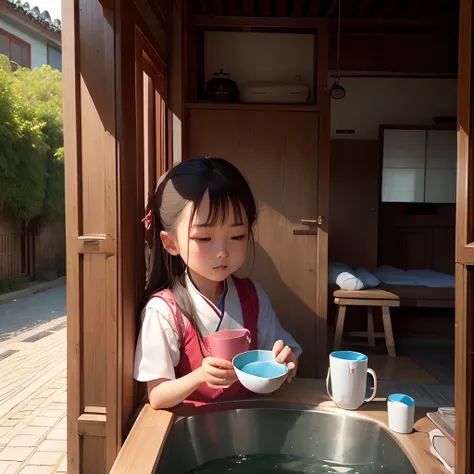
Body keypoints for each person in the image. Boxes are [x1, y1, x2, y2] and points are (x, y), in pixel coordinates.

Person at [134, 157, 302, 409]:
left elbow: (282, 350)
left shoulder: (253, 296)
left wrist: (285, 359)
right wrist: (199, 376)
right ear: (170, 243)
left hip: (250, 420)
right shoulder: (164, 311)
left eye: (237, 235)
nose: (222, 251)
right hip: (191, 429)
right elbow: (157, 396)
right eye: (204, 238)